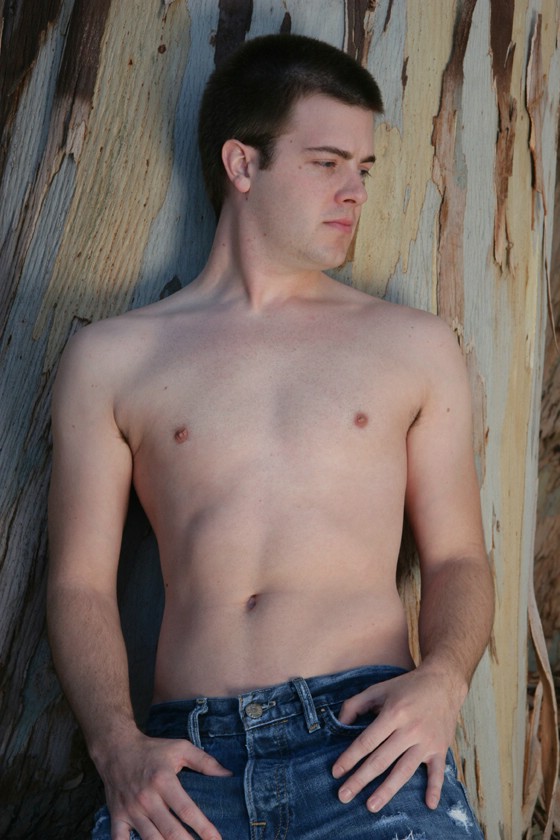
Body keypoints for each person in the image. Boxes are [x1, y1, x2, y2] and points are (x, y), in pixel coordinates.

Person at [47, 33, 494, 840]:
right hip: (184, 770)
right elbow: (80, 583)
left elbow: (459, 557)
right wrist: (115, 745)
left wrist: (444, 682)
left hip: (370, 748)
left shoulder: (412, 346)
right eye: (327, 163)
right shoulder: (113, 359)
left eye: (364, 169)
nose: (354, 191)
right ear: (242, 164)